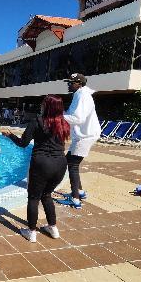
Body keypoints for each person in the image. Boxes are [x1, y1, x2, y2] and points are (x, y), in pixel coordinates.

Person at [2, 95, 69, 242]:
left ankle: (31, 232)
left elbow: (23, 143)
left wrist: (9, 135)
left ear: (48, 106)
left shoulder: (36, 121)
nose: (41, 106)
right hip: (60, 164)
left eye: (44, 104)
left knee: (33, 197)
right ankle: (53, 228)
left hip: (42, 164)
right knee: (47, 194)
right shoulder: (63, 123)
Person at [61, 73, 101, 209]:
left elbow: (78, 118)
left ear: (79, 83)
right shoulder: (79, 94)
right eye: (69, 82)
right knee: (70, 161)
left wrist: (59, 116)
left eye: (71, 82)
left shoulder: (82, 95)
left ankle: (75, 199)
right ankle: (79, 191)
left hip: (85, 136)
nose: (69, 84)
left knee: (72, 164)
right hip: (82, 135)